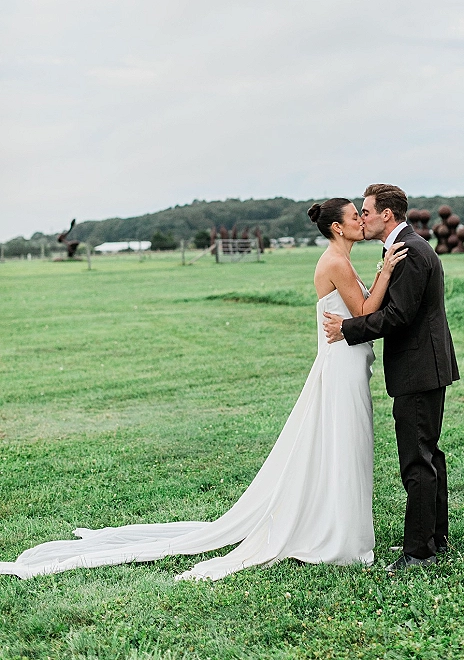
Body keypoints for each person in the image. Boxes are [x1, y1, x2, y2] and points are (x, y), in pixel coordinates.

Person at [0, 198, 406, 582]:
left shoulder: (342, 260)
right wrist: (386, 271)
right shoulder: (334, 261)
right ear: (337, 227)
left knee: (344, 444)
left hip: (350, 362)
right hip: (341, 367)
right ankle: (336, 533)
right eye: (355, 216)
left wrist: (376, 277)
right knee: (344, 442)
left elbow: (362, 310)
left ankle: (334, 520)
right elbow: (366, 313)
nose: (360, 220)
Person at [323, 184, 459, 572]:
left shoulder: (411, 253)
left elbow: (399, 315)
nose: (361, 218)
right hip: (424, 367)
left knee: (417, 460)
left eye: (365, 212)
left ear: (386, 215)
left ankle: (419, 553)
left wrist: (349, 329)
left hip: (418, 369)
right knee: (428, 453)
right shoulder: (404, 248)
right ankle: (436, 538)